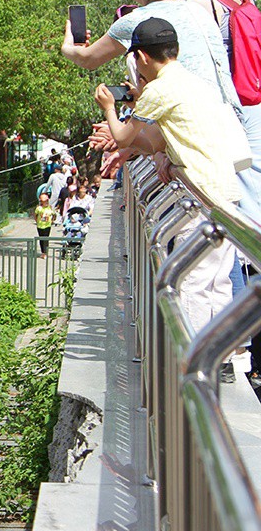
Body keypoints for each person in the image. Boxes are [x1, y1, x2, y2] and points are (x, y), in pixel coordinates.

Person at [94, 17, 240, 336]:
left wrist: (109, 108)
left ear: (142, 57)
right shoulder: (190, 81)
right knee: (218, 280)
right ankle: (230, 360)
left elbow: (122, 137)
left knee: (192, 283)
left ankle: (189, 363)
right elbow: (153, 142)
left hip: (200, 197)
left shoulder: (159, 89)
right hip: (225, 191)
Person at [61, 0, 235, 108]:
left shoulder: (137, 19)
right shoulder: (197, 9)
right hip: (229, 118)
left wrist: (67, 47)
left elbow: (88, 60)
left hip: (191, 122)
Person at [179, 0, 261, 225]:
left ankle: (241, 260)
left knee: (226, 186)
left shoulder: (197, 1)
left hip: (226, 105)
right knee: (253, 182)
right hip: (254, 96)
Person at [34, 192, 57, 257]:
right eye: (44, 201)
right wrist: (37, 221)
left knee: (46, 238)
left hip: (47, 225)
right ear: (41, 201)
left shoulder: (49, 208)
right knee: (41, 239)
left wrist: (52, 220)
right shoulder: (39, 208)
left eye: (47, 201)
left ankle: (45, 252)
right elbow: (35, 215)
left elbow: (54, 214)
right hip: (40, 226)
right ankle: (43, 252)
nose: (46, 202)